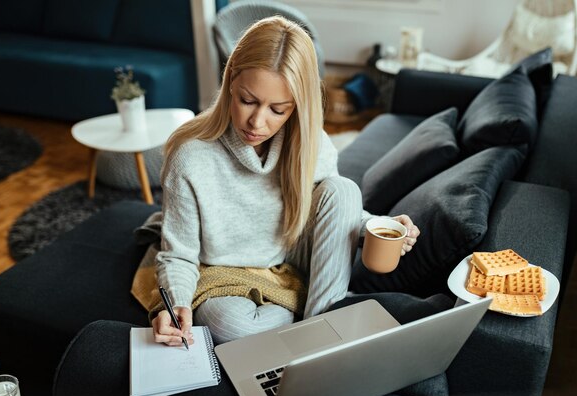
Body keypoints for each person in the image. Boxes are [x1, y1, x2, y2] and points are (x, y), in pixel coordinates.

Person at [151, 16, 420, 346]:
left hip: (291, 255)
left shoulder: (310, 142)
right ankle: (321, 319)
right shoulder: (190, 155)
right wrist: (176, 302)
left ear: (296, 106)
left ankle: (318, 338)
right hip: (222, 271)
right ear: (231, 79)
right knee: (233, 325)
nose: (257, 121)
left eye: (277, 109)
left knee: (344, 189)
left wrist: (379, 226)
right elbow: (179, 254)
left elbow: (331, 208)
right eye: (248, 100)